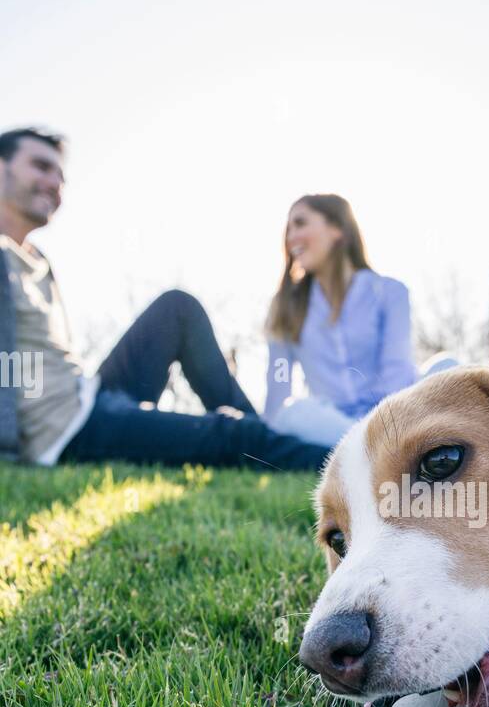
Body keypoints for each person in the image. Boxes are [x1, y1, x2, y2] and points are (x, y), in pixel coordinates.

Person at [0, 127, 328, 471]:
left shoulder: (35, 258)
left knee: (177, 309)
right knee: (231, 436)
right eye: (40, 166)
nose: (55, 182)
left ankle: (261, 433)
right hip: (66, 430)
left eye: (61, 175)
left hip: (88, 395)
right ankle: (321, 462)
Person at [265, 194, 445, 445]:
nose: (291, 236)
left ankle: (372, 445)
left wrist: (384, 422)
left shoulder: (389, 293)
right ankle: (375, 448)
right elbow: (280, 379)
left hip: (399, 412)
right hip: (333, 424)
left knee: (448, 366)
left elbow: (397, 368)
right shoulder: (285, 306)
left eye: (300, 223)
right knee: (292, 413)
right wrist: (270, 430)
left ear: (337, 229)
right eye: (288, 228)